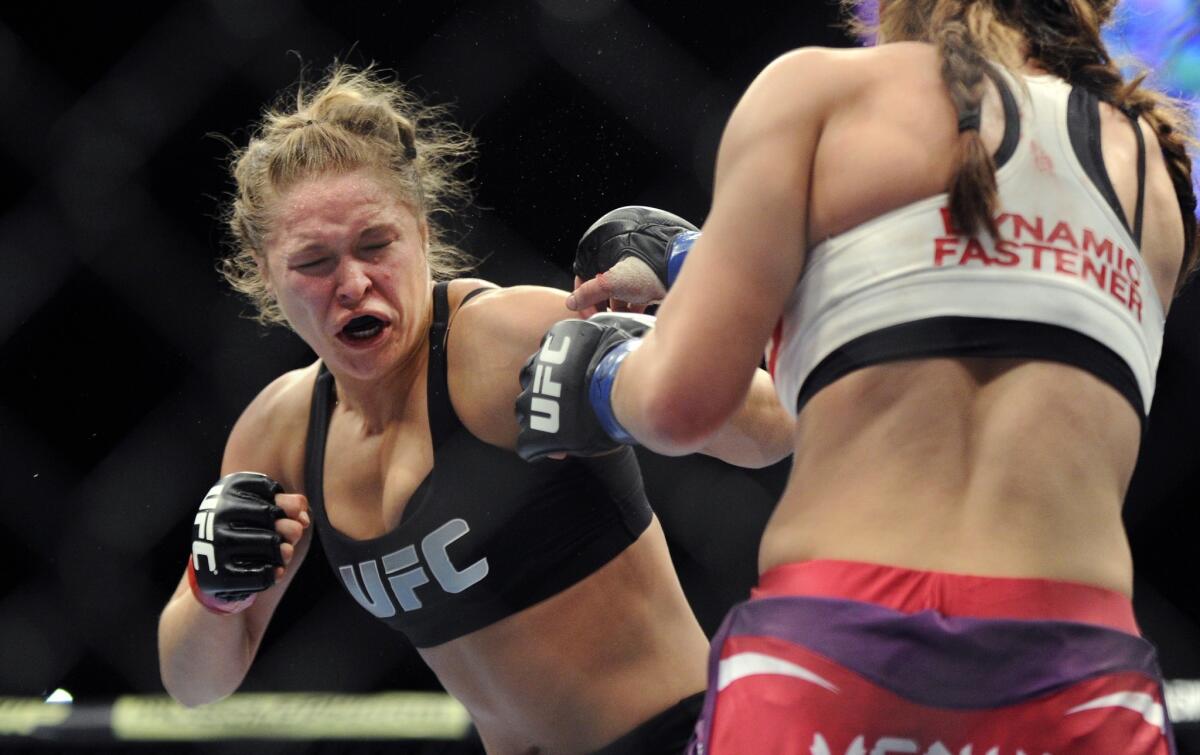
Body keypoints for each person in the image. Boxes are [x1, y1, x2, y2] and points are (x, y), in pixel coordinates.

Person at [517, 0, 1198, 752]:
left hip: (837, 644)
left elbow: (685, 405)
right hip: (1072, 665)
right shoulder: (1152, 175)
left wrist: (603, 370)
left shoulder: (818, 93)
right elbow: (957, 303)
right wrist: (698, 265)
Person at [154, 64, 794, 755]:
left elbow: (773, 430)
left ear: (423, 232)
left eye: (376, 244)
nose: (353, 282)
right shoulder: (277, 432)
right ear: (265, 269)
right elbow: (196, 686)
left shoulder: (501, 339)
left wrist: (621, 369)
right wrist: (212, 590)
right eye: (313, 261)